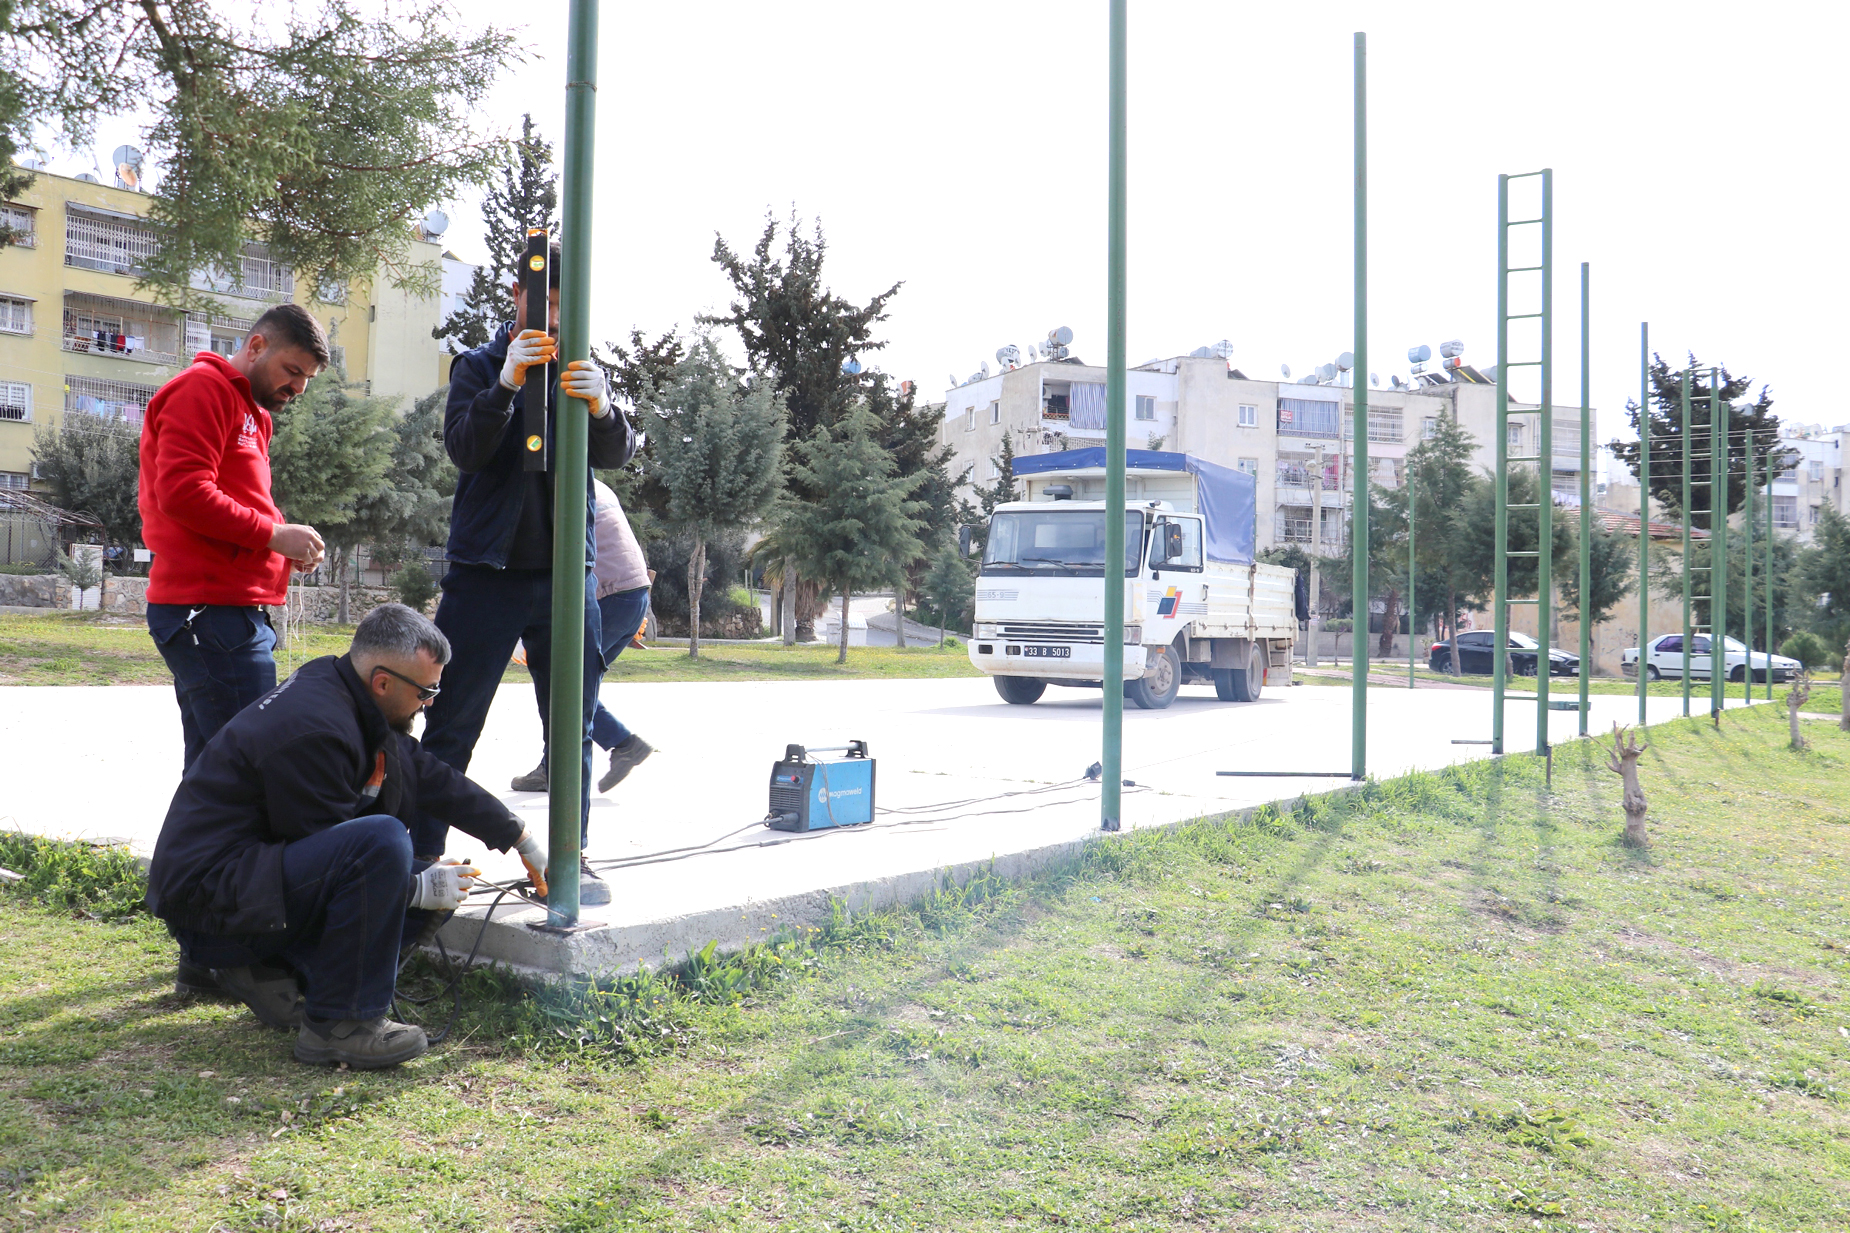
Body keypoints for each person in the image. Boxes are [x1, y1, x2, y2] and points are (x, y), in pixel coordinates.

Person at [146, 604, 550, 1070]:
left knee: (415, 870)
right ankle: (341, 1025)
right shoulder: (316, 728)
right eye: (426, 690)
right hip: (209, 903)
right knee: (383, 843)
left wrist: (518, 836)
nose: (431, 701)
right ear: (383, 682)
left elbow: (425, 773)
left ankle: (266, 974)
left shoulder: (341, 690)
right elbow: (344, 857)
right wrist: (416, 886)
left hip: (233, 883)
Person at [419, 243, 636, 907]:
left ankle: (572, 861)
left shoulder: (582, 371)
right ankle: (417, 860)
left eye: (572, 306)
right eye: (548, 301)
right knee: (452, 723)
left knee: (569, 728)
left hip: (570, 580)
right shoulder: (480, 366)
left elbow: (620, 451)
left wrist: (605, 409)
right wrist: (506, 385)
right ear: (518, 296)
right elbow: (464, 447)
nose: (559, 317)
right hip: (486, 577)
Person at [138, 302, 332, 1000]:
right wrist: (274, 534)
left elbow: (233, 500)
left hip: (233, 609)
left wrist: (281, 540)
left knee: (212, 782)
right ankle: (225, 951)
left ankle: (205, 950)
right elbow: (183, 491)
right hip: (207, 612)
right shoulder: (202, 391)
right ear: (255, 346)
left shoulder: (252, 412)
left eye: (306, 378)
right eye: (290, 370)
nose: (296, 387)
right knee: (244, 784)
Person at [509, 478, 655, 793]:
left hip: (609, 595)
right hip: (633, 593)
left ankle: (620, 744)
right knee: (573, 685)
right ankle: (557, 764)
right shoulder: (592, 483)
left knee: (562, 683)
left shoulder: (557, 488)